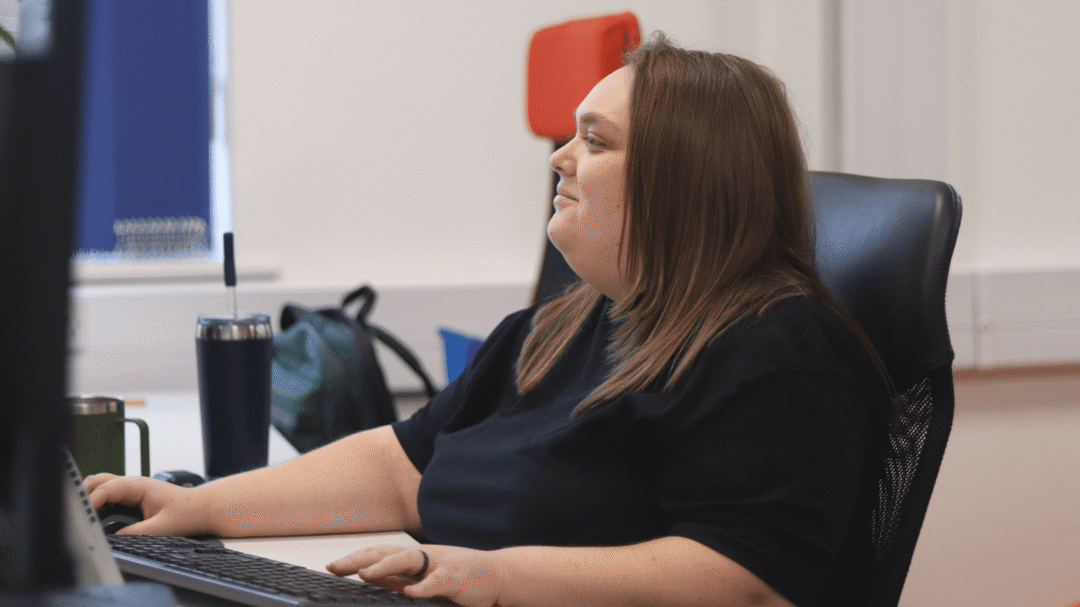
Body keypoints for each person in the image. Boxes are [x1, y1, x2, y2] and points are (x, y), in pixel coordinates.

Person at [87, 34, 889, 607]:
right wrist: (202, 506)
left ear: (684, 181)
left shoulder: (780, 350)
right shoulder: (560, 326)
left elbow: (739, 578)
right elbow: (404, 466)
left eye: (595, 142)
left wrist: (492, 574)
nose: (559, 159)